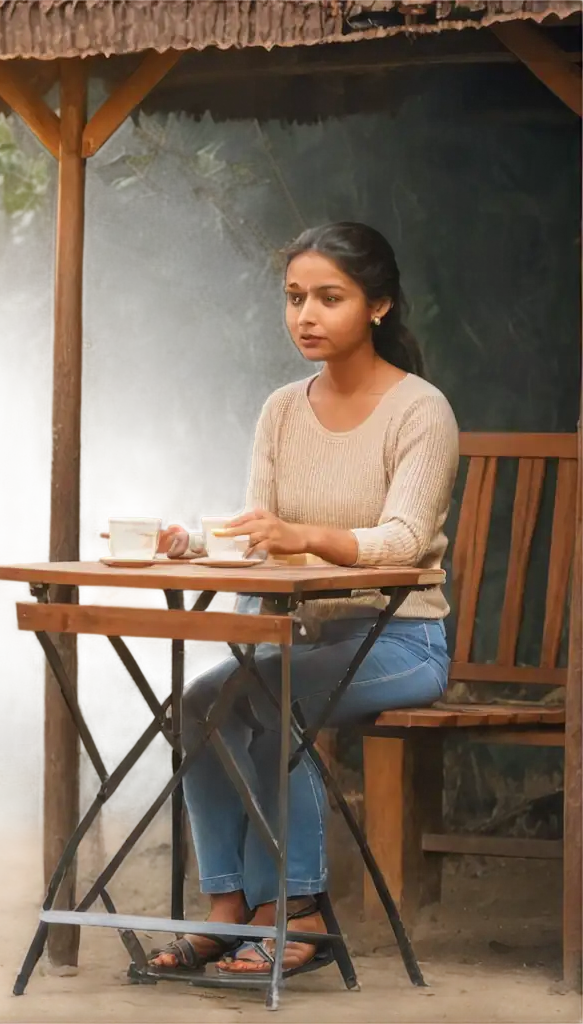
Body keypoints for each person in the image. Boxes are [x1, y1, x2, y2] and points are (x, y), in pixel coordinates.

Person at [148, 222, 459, 979]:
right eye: (294, 298)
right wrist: (196, 546)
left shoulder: (421, 411)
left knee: (273, 694)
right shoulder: (283, 409)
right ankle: (228, 907)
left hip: (398, 640)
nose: (305, 316)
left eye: (329, 297)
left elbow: (405, 541)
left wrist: (308, 535)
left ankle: (302, 910)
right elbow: (263, 532)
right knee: (200, 702)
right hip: (302, 638)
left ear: (378, 305)